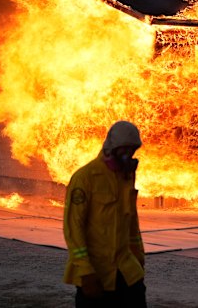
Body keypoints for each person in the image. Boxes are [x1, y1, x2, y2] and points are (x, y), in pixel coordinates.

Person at [63, 121, 147, 307]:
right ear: (112, 148)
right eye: (124, 151)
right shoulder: (85, 178)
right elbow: (73, 228)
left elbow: (131, 220)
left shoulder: (126, 177)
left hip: (127, 271)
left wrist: (139, 258)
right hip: (96, 274)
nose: (128, 156)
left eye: (132, 151)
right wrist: (85, 271)